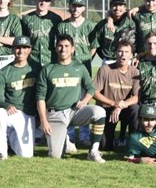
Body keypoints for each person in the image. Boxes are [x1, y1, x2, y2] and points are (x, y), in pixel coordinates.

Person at [36, 34, 106, 162]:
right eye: (60, 46)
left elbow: (90, 88)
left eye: (67, 46)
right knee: (55, 156)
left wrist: (84, 100)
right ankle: (63, 141)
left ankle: (93, 151)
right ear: (56, 48)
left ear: (73, 49)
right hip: (55, 114)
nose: (63, 49)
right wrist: (43, 121)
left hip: (75, 111)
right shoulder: (47, 69)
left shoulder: (79, 67)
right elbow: (40, 98)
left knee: (99, 112)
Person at [0, 35, 38, 161]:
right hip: (11, 111)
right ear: (13, 49)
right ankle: (0, 152)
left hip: (28, 114)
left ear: (29, 50)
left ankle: (11, 137)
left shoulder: (37, 68)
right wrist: (6, 105)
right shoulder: (4, 72)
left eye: (24, 47)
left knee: (26, 155)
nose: (21, 51)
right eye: (18, 47)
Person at [91, 40, 140, 151]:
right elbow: (94, 92)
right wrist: (113, 103)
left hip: (124, 109)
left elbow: (137, 96)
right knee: (104, 147)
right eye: (120, 51)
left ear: (131, 55)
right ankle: (109, 139)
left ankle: (134, 143)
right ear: (115, 53)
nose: (123, 55)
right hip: (107, 109)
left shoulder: (135, 72)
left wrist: (120, 106)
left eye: (126, 52)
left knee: (136, 109)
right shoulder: (105, 69)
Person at [90, 0, 135, 65]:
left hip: (127, 61)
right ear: (110, 7)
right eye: (114, 5)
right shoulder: (102, 24)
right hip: (108, 60)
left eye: (120, 5)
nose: (117, 8)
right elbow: (95, 45)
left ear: (125, 7)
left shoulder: (132, 22)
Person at [22, 0, 62, 66]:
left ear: (50, 3)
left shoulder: (56, 19)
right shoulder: (27, 18)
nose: (43, 3)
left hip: (51, 60)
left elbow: (61, 41)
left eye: (46, 0)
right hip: (32, 60)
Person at [54, 0, 94, 75]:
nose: (76, 9)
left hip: (85, 64)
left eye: (79, 6)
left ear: (84, 8)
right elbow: (57, 46)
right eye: (74, 5)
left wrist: (88, 58)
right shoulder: (62, 26)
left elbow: (94, 46)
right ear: (69, 6)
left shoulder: (90, 25)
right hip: (66, 63)